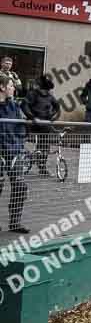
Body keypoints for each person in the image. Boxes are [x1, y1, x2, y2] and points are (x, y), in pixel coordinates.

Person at [0, 75, 29, 233]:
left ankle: (15, 222)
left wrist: (18, 146)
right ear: (2, 87)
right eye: (11, 86)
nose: (13, 88)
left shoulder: (14, 106)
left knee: (20, 187)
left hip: (14, 152)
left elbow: (21, 128)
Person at [21, 75, 60, 176]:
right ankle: (18, 164)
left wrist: (52, 117)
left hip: (45, 125)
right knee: (21, 142)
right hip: (32, 124)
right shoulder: (32, 94)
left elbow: (57, 107)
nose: (45, 91)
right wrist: (33, 117)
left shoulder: (50, 96)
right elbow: (24, 105)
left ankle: (42, 167)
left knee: (44, 147)